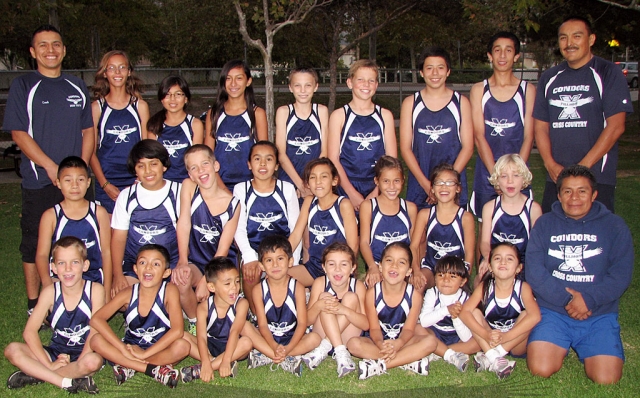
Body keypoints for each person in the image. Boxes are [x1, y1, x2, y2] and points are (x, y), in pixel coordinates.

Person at [3, 25, 95, 315]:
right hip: (40, 181)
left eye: (56, 44)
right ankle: (36, 305)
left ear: (64, 50)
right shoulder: (23, 86)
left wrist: (77, 172)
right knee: (34, 245)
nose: (50, 50)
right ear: (33, 52)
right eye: (43, 45)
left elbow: (88, 131)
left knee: (78, 242)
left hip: (75, 184)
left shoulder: (77, 86)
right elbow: (18, 134)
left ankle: (79, 300)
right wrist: (52, 168)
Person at [525, 165, 633, 384]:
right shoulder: (544, 224)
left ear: (594, 194)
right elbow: (535, 271)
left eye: (582, 191)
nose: (574, 197)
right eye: (567, 191)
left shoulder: (615, 226)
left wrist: (588, 299)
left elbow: (621, 274)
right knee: (540, 369)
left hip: (598, 313)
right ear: (558, 195)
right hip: (553, 311)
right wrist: (568, 300)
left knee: (606, 379)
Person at [533, 16, 633, 213]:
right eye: (563, 38)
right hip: (556, 177)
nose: (569, 43)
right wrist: (550, 164)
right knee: (555, 237)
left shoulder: (608, 72)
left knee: (595, 239)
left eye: (577, 36)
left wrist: (582, 169)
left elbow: (616, 126)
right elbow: (540, 127)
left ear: (591, 39)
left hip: (596, 175)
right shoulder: (549, 78)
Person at [4, 237, 104, 393]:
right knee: (12, 350)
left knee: (92, 362)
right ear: (54, 268)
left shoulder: (95, 290)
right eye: (61, 263)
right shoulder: (50, 292)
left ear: (85, 265)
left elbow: (96, 330)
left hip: (86, 351)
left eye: (74, 262)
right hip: (56, 352)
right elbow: (29, 332)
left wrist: (81, 359)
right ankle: (65, 381)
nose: (68, 269)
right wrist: (48, 364)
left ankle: (37, 375)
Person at [90, 244, 190, 388]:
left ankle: (129, 367)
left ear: (166, 272)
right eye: (143, 262)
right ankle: (151, 369)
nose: (148, 267)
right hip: (130, 348)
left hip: (159, 348)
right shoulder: (128, 293)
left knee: (182, 346)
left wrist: (144, 354)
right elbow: (97, 319)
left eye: (156, 264)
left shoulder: (170, 290)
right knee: (96, 340)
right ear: (136, 269)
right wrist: (123, 348)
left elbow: (177, 331)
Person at [347, 242, 438, 380]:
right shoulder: (372, 293)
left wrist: (399, 343)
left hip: (403, 341)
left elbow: (408, 329)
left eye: (401, 262)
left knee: (431, 341)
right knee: (353, 344)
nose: (394, 265)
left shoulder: (414, 296)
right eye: (389, 260)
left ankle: (380, 365)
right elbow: (374, 329)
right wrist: (380, 344)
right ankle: (407, 360)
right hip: (378, 343)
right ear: (380, 266)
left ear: (409, 271)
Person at [469, 32, 535, 220]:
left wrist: (514, 176)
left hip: (519, 174)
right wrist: (496, 177)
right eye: (497, 50)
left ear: (516, 56)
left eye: (508, 50)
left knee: (519, 227)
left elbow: (529, 136)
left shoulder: (527, 91)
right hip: (487, 174)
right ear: (490, 55)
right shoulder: (479, 90)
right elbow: (479, 136)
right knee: (486, 230)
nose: (503, 56)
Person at [175, 145, 240, 334]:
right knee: (181, 280)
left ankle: (223, 310)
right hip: (197, 260)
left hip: (220, 264)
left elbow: (222, 250)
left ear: (216, 165)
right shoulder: (188, 188)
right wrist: (182, 261)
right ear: (189, 174)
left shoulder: (232, 203)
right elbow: (184, 224)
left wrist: (206, 279)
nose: (200, 170)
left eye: (205, 164)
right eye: (193, 168)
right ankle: (195, 321)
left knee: (219, 291)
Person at [399, 46, 473, 210]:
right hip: (420, 184)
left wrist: (446, 183)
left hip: (452, 186)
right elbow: (405, 148)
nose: (435, 73)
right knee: (420, 234)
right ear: (421, 72)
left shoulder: (461, 103)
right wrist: (427, 185)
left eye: (440, 68)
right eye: (429, 68)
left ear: (448, 71)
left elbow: (468, 147)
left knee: (453, 233)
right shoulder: (410, 104)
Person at [233, 141, 300, 313]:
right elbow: (238, 228)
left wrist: (294, 260)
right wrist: (249, 257)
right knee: (250, 273)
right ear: (249, 164)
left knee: (285, 275)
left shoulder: (286, 188)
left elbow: (296, 228)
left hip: (283, 252)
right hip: (255, 251)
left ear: (277, 165)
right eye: (257, 159)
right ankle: (256, 314)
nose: (263, 164)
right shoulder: (241, 189)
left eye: (269, 159)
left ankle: (285, 313)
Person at [459, 242, 540, 379]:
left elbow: (536, 317)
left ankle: (494, 354)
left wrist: (507, 336)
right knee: (473, 313)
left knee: (528, 315)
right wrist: (485, 334)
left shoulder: (523, 288)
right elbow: (464, 313)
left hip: (514, 343)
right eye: (497, 258)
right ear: (490, 266)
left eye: (509, 259)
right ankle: (494, 358)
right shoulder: (485, 286)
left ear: (519, 268)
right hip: (491, 338)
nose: (503, 262)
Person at [35, 156, 112, 301]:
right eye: (68, 180)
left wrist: (106, 289)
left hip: (93, 276)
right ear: (58, 183)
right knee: (50, 310)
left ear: (88, 182)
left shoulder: (99, 213)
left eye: (80, 180)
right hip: (63, 276)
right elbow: (42, 255)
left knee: (92, 309)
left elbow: (106, 252)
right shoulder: (51, 216)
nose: (75, 185)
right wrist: (47, 285)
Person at [110, 140, 180, 297]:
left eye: (153, 164)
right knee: (123, 296)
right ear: (135, 170)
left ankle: (183, 312)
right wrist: (118, 275)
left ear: (164, 166)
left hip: (170, 261)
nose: (148, 170)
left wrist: (182, 263)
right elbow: (118, 239)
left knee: (181, 288)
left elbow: (186, 234)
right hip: (136, 263)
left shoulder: (178, 192)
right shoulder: (126, 196)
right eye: (141, 166)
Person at [328, 59, 397, 211]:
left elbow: (392, 160)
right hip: (345, 185)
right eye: (360, 80)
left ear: (376, 85)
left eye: (371, 80)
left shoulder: (385, 115)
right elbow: (333, 158)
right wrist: (351, 193)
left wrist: (378, 190)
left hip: (378, 185)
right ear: (349, 83)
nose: (366, 84)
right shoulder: (339, 115)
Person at [248, 235, 320, 376]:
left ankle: (269, 356)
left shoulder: (297, 287)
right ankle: (279, 356)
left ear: (290, 261)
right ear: (261, 266)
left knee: (315, 338)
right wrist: (274, 346)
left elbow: (302, 323)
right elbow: (262, 325)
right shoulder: (258, 290)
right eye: (269, 260)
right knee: (245, 327)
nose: (275, 265)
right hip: (267, 337)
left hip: (292, 338)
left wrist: (287, 348)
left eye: (280, 259)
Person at [91, 50, 149, 214]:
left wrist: (140, 179)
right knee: (110, 236)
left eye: (122, 67)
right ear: (105, 73)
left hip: (135, 179)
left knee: (135, 234)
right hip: (107, 181)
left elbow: (146, 148)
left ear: (129, 72)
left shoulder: (140, 106)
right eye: (111, 68)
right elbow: (90, 152)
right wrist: (104, 184)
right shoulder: (97, 108)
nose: (117, 72)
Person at [288, 158, 359, 287]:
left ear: (334, 180)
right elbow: (296, 235)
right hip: (314, 267)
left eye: (324, 177)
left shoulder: (343, 205)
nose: (318, 182)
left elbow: (353, 246)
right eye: (313, 177)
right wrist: (281, 259)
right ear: (308, 184)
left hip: (338, 268)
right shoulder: (309, 202)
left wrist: (345, 271)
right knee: (278, 277)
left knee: (323, 295)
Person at [301, 243, 367, 377]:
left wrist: (345, 310)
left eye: (344, 264)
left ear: (353, 268)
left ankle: (329, 346)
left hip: (346, 338)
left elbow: (366, 324)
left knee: (350, 297)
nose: (337, 269)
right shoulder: (320, 282)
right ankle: (339, 352)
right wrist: (319, 305)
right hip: (323, 333)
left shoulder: (358, 286)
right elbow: (307, 321)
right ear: (324, 267)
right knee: (325, 297)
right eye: (331, 264)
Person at [179, 257, 250, 382]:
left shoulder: (242, 303)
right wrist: (206, 361)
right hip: (211, 345)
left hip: (233, 347)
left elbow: (234, 331)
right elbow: (201, 337)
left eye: (237, 281)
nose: (234, 287)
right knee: (183, 335)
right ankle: (213, 362)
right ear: (212, 287)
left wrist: (226, 359)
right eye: (227, 284)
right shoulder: (204, 307)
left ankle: (200, 370)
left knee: (246, 343)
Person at [409, 164, 475, 294]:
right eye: (439, 182)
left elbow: (469, 253)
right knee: (417, 286)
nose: (444, 187)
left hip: (455, 270)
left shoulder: (465, 217)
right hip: (431, 267)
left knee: (456, 297)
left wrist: (463, 275)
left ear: (458, 188)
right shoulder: (425, 214)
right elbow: (414, 246)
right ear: (432, 188)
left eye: (450, 183)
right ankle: (416, 314)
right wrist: (416, 271)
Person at [205, 59, 268, 191]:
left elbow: (264, 154)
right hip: (219, 184)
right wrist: (221, 187)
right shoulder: (214, 113)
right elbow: (207, 155)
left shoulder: (257, 113)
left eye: (239, 78)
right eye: (228, 78)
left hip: (250, 184)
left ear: (248, 81)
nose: (233, 83)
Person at [477, 154, 541, 284]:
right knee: (480, 282)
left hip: (522, 264)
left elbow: (537, 246)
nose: (510, 181)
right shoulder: (490, 207)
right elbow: (484, 242)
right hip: (495, 259)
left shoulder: (533, 209)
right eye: (504, 176)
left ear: (524, 179)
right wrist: (488, 258)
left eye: (516, 175)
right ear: (497, 180)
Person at [359, 156, 417, 286]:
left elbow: (414, 244)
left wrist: (416, 270)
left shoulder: (410, 208)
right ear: (377, 181)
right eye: (386, 181)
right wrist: (372, 267)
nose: (391, 186)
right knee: (374, 290)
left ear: (403, 181)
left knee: (415, 289)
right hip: (378, 265)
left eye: (396, 181)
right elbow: (364, 242)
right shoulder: (368, 206)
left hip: (403, 268)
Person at [275, 67, 329, 200]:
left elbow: (324, 152)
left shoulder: (321, 111)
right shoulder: (283, 112)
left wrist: (311, 184)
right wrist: (301, 186)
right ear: (290, 87)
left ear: (316, 87)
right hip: (289, 181)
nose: (303, 90)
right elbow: (281, 154)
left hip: (315, 183)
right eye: (298, 85)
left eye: (308, 85)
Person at [418, 255, 477, 372]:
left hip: (456, 337)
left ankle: (437, 351)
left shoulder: (465, 298)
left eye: (453, 276)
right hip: (435, 334)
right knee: (417, 328)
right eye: (441, 275)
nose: (446, 280)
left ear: (463, 281)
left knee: (475, 343)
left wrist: (455, 318)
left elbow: (465, 338)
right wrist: (446, 310)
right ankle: (448, 354)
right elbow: (424, 321)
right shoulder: (432, 293)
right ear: (434, 278)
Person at [147, 75, 204, 183]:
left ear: (186, 98)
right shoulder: (154, 125)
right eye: (168, 94)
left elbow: (196, 161)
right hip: (161, 184)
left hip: (187, 183)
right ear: (161, 99)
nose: (172, 99)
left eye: (178, 94)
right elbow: (151, 161)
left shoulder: (195, 124)